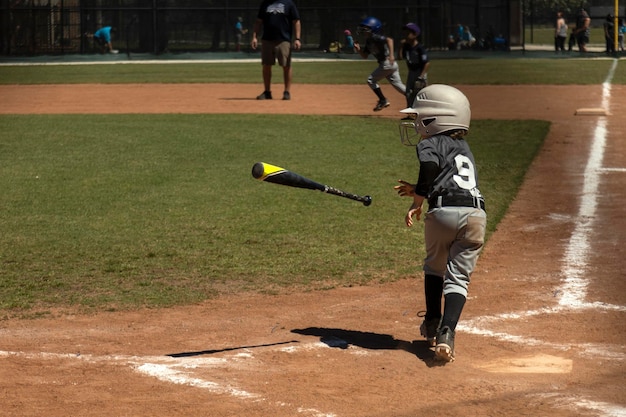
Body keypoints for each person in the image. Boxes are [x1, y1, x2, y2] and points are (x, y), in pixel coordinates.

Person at [394, 84, 487, 363]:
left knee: (434, 266)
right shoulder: (464, 147)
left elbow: (430, 168)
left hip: (444, 212)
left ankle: (433, 322)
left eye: (418, 118)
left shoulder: (429, 142)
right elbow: (451, 178)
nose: (415, 123)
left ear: (434, 119)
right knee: (459, 278)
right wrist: (419, 188)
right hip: (475, 215)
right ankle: (448, 333)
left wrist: (417, 201)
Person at [251, 0, 301, 101]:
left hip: (284, 39)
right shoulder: (265, 3)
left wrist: (297, 38)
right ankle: (267, 92)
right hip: (267, 39)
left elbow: (296, 21)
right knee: (266, 65)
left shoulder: (288, 3)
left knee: (286, 65)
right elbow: (258, 21)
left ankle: (286, 92)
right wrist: (254, 37)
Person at [354, 16, 406, 112]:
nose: (363, 31)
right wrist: (358, 50)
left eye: (365, 29)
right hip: (389, 64)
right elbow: (365, 56)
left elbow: (390, 40)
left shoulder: (375, 37)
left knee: (371, 80)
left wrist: (391, 55)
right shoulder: (369, 41)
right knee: (398, 85)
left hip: (387, 63)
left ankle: (383, 100)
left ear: (373, 29)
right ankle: (415, 96)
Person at [398, 23, 430, 108]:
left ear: (415, 34)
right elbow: (400, 58)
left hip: (420, 73)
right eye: (404, 33)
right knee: (408, 92)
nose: (405, 35)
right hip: (411, 73)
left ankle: (424, 111)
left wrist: (421, 76)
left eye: (407, 33)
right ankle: (410, 111)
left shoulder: (420, 48)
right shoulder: (406, 47)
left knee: (421, 93)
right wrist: (400, 47)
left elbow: (426, 63)